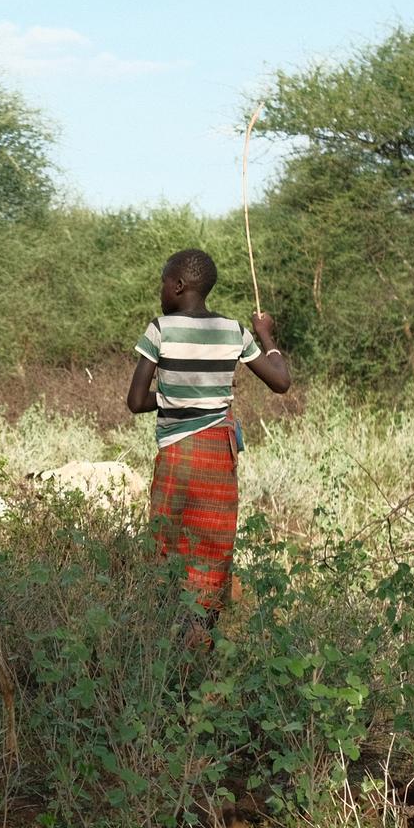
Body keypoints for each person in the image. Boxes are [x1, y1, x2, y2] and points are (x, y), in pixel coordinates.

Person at [124, 248, 291, 637]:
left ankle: (168, 641)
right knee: (212, 547)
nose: (161, 290)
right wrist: (266, 336)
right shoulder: (234, 331)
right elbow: (281, 381)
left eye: (164, 282)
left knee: (168, 544)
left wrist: (174, 398)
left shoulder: (160, 329)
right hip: (218, 455)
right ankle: (202, 643)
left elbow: (135, 401)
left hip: (177, 458)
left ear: (179, 286)